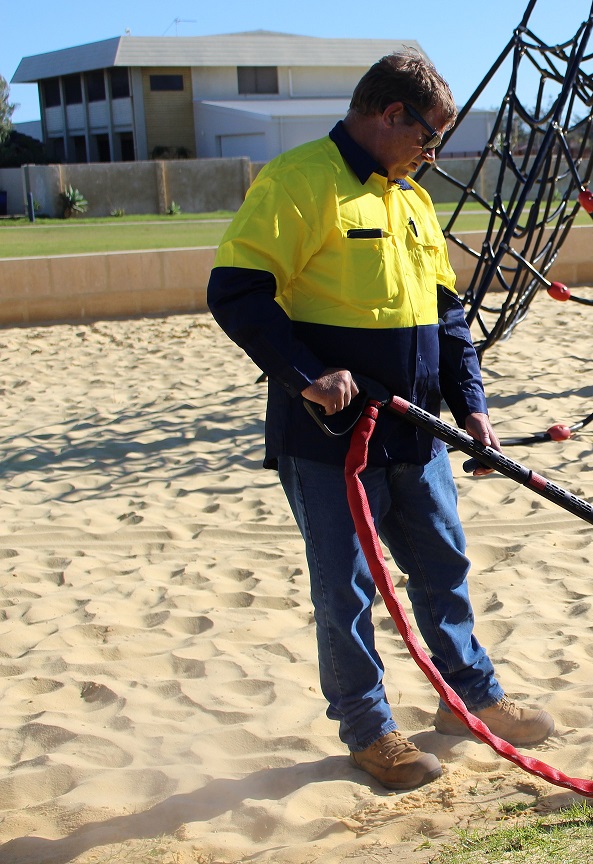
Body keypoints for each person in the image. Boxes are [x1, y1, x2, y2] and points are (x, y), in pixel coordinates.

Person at [207, 49, 553, 791]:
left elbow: (449, 318)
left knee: (443, 568)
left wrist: (474, 409)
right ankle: (369, 730)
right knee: (347, 588)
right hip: (329, 441)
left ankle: (469, 697)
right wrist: (306, 373)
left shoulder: (413, 201)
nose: (432, 155)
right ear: (390, 114)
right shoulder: (298, 182)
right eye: (428, 137)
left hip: (419, 432)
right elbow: (236, 292)